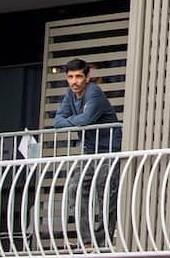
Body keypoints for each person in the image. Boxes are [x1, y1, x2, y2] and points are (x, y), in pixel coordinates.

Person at [54, 59, 122, 244]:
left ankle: (101, 240)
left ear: (87, 77)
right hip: (90, 149)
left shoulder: (94, 92)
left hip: (109, 149)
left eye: (78, 76)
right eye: (70, 77)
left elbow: (87, 119)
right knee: (75, 188)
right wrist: (78, 120)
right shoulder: (70, 95)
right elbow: (57, 121)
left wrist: (74, 120)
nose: (74, 81)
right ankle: (85, 240)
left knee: (105, 191)